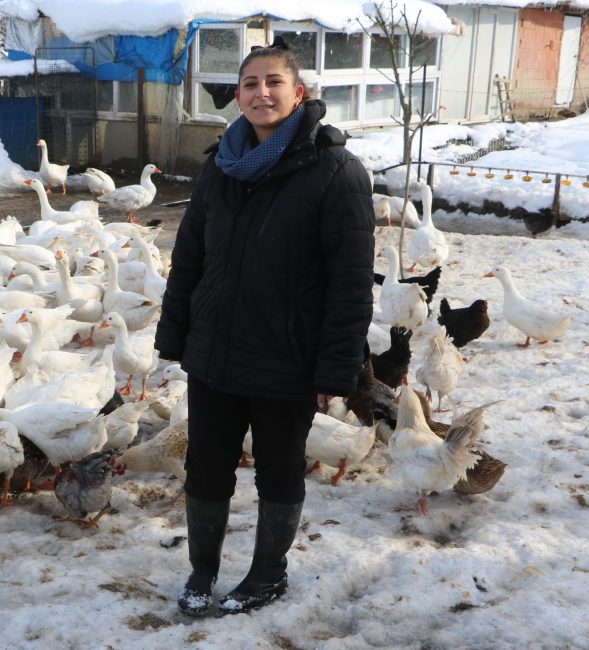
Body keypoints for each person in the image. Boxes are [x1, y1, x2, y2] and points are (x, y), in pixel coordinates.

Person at [155, 39, 375, 616]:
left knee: (278, 470)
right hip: (215, 354)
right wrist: (176, 335)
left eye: (273, 81)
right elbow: (190, 259)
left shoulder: (336, 172)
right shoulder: (220, 168)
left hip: (287, 358)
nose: (261, 92)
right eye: (250, 83)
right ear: (238, 97)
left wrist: (335, 368)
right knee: (206, 467)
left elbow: (351, 283)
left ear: (298, 93)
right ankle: (201, 573)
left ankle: (267, 576)